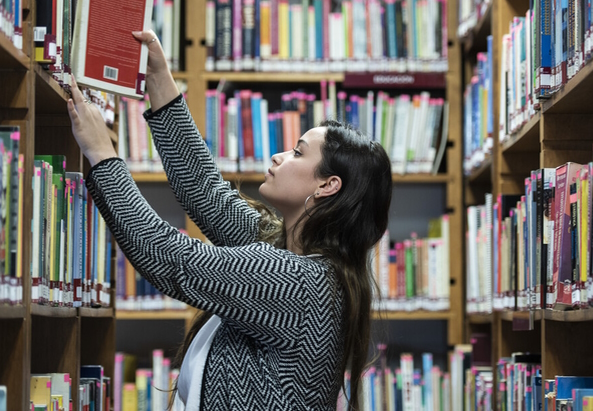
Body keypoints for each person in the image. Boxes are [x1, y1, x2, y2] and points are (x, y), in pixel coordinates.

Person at [67, 29, 393, 410]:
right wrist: (157, 77)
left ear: (327, 185)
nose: (278, 157)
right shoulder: (286, 248)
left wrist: (102, 155)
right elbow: (205, 194)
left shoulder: (301, 282)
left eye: (297, 152)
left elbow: (168, 257)